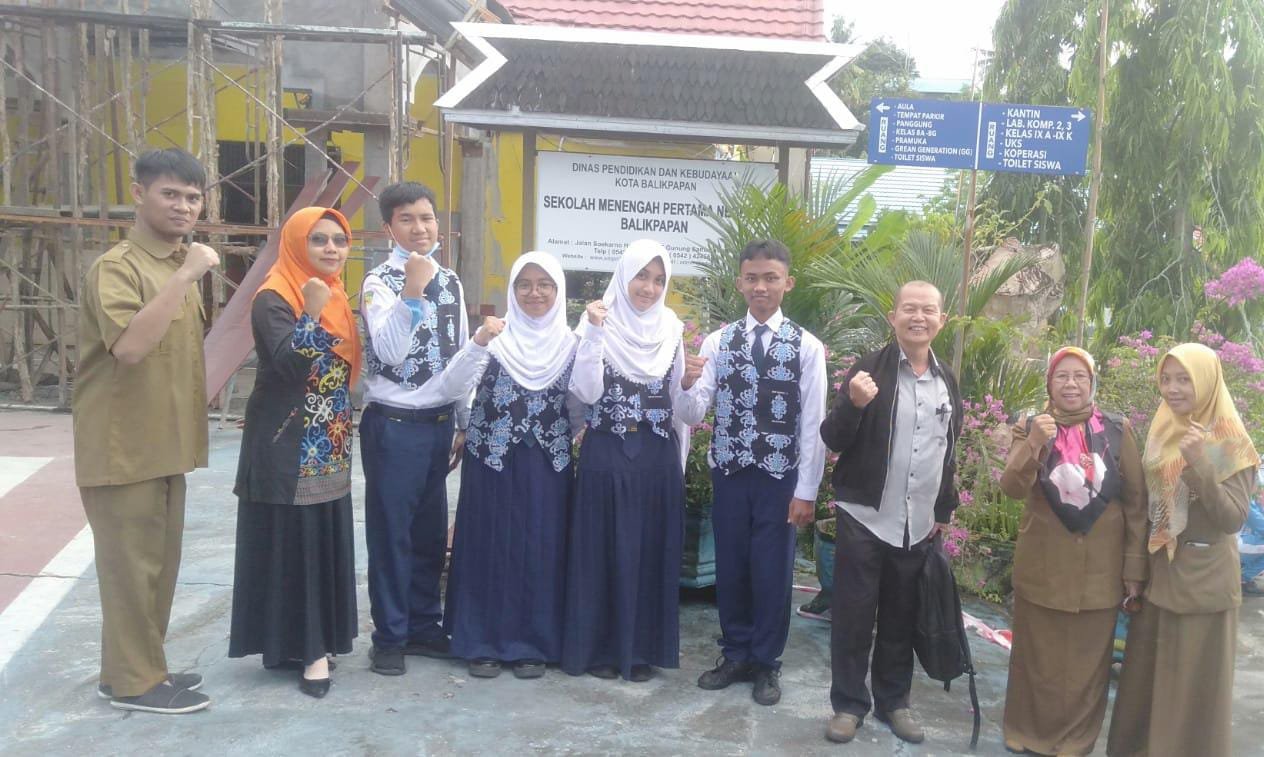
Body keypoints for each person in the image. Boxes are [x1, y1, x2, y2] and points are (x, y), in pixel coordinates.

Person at [73, 148, 218, 714]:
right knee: (130, 572)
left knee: (155, 569)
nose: (184, 206)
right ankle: (136, 684)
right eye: (170, 194)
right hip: (122, 448)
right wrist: (186, 275)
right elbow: (131, 347)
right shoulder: (120, 267)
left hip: (165, 445)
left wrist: (182, 271)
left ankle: (134, 669)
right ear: (139, 194)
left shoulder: (177, 263)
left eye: (193, 197)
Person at [359, 181, 501, 676]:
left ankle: (423, 625)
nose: (419, 228)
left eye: (426, 217)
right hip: (393, 425)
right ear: (388, 228)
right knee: (391, 534)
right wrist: (412, 291)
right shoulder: (378, 281)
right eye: (407, 219)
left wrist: (462, 420)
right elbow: (390, 350)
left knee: (428, 532)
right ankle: (389, 636)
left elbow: (459, 353)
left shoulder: (452, 281)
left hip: (439, 424)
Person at [677, 239, 827, 705]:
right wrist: (684, 384)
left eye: (770, 278)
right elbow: (693, 412)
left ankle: (766, 662)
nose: (761, 287)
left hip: (780, 479)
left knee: (772, 571)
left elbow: (813, 424)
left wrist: (806, 490)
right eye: (752, 278)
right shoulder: (718, 343)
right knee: (732, 566)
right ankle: (735, 653)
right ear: (739, 283)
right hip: (730, 473)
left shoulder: (806, 347)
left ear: (787, 283)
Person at [227, 207, 362, 698]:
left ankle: (308, 641)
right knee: (297, 545)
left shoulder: (337, 296)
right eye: (318, 239)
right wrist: (310, 312)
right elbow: (287, 364)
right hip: (288, 443)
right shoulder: (275, 296)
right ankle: (309, 652)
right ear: (296, 244)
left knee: (321, 542)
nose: (331, 249)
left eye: (339, 240)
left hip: (331, 441)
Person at [821, 281, 963, 745]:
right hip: (866, 516)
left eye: (928, 310)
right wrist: (853, 404)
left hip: (917, 523)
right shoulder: (868, 370)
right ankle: (848, 705)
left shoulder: (947, 380)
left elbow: (948, 450)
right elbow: (833, 438)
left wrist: (943, 509)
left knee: (902, 617)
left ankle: (893, 701)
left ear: (942, 320)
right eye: (909, 309)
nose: (918, 317)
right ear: (893, 317)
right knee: (853, 616)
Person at [1107, 343, 1260, 757]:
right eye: (1166, 379)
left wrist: (1200, 463)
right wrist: (1135, 570)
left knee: (1189, 692)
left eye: (1184, 379)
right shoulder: (1164, 426)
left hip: (1202, 587)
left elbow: (1232, 519)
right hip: (1159, 576)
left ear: (1207, 381)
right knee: (1146, 685)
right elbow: (1148, 504)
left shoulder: (1231, 440)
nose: (1172, 389)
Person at [561, 239, 700, 682]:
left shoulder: (671, 329)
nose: (649, 288)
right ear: (624, 276)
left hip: (656, 457)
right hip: (607, 451)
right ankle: (601, 649)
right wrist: (594, 334)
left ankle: (640, 652)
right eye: (642, 276)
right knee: (601, 550)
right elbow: (586, 392)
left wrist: (690, 385)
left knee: (648, 552)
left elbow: (682, 410)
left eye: (658, 279)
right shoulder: (597, 323)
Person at [999, 347, 1147, 754]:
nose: (1071, 384)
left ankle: (1075, 742)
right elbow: (1012, 487)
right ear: (1049, 383)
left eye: (1080, 376)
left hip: (1100, 570)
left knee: (1087, 665)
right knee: (1036, 661)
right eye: (1061, 376)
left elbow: (1136, 505)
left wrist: (1134, 569)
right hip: (1043, 567)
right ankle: (1026, 733)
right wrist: (1034, 442)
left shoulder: (1116, 431)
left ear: (1092, 383)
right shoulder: (1031, 426)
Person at [442, 251, 581, 679]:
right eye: (524, 284)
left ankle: (534, 644)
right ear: (512, 290)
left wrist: (562, 433)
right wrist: (479, 340)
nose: (534, 293)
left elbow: (580, 406)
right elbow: (452, 386)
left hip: (547, 461)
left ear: (558, 291)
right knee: (489, 544)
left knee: (541, 546)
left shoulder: (572, 343)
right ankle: (481, 642)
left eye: (544, 285)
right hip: (492, 459)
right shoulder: (495, 337)